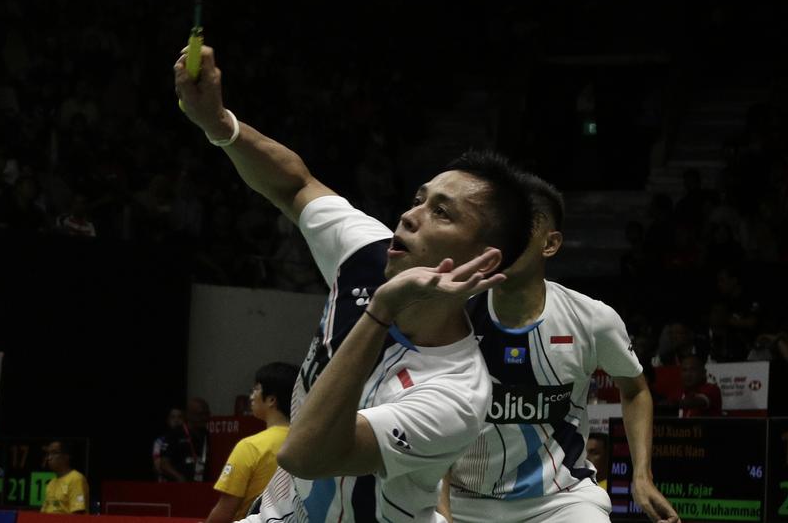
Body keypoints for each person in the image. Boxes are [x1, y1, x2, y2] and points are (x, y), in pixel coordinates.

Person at [175, 46, 531, 522]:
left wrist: (379, 311)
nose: (409, 216)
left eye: (441, 213)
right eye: (419, 200)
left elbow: (306, 457)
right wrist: (219, 123)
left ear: (485, 263)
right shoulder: (370, 255)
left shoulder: (456, 392)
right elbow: (295, 186)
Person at [447, 178, 680, 523]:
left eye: (518, 229)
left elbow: (635, 390)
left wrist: (642, 476)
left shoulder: (591, 319)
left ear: (550, 244)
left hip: (560, 500)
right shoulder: (453, 314)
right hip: (463, 499)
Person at [205, 362, 300, 523]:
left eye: (256, 389)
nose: (251, 396)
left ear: (271, 399)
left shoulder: (250, 447)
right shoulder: (303, 443)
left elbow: (224, 512)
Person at [159, 398, 212, 482]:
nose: (204, 418)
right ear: (188, 415)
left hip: (202, 486)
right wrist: (179, 478)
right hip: (179, 488)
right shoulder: (175, 434)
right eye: (200, 414)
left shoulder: (207, 435)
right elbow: (164, 464)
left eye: (207, 414)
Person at [39, 441, 90, 514]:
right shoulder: (51, 483)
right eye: (48, 454)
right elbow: (43, 514)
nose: (49, 458)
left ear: (66, 456)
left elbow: (78, 515)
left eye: (54, 453)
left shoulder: (76, 478)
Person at [153, 407, 186, 481]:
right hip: (166, 484)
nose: (176, 420)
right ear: (168, 420)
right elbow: (158, 467)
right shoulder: (159, 442)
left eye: (179, 417)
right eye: (173, 417)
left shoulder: (188, 439)